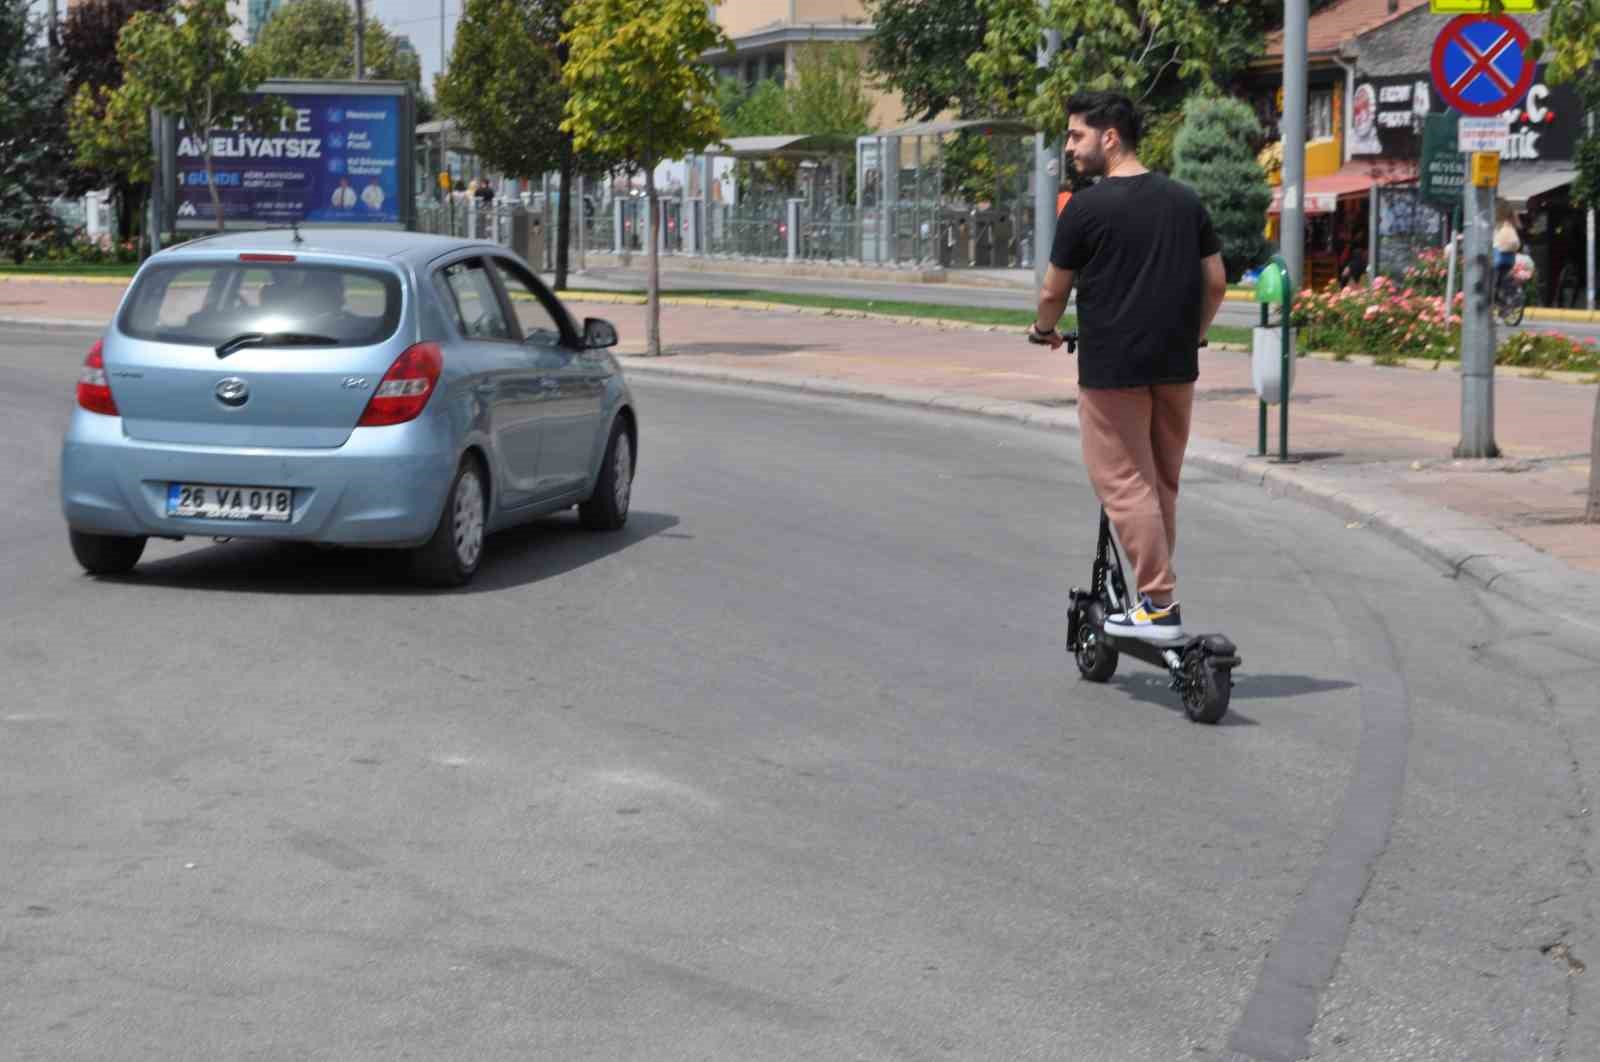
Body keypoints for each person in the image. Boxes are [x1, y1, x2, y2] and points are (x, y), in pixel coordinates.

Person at [1028, 91, 1227, 642]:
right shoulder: (1185, 201)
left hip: (1113, 366)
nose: (1069, 147)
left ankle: (1159, 603)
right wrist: (1196, 335)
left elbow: (1052, 293)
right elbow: (1215, 283)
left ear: (1109, 137)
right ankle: (1152, 596)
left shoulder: (1085, 209)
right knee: (1161, 483)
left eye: (1076, 136)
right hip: (1176, 363)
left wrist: (1043, 331)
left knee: (1121, 482)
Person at [1493, 207, 1521, 299]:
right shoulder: (1511, 224)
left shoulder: (1498, 224)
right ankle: (1504, 298)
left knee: (1494, 281)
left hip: (1498, 256)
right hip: (1510, 258)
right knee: (1504, 279)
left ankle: (1496, 296)